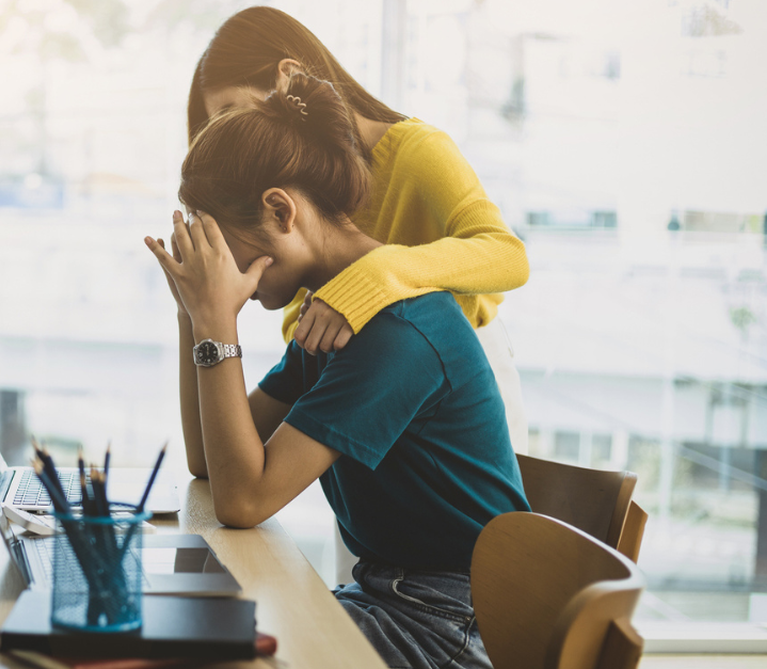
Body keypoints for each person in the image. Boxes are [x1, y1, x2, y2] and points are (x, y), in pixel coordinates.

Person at [145, 72, 529, 669]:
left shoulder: (393, 332)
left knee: (201, 652)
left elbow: (244, 499)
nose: (221, 268)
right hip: (390, 597)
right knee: (178, 628)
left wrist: (217, 323)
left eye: (222, 245)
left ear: (280, 210)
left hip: (449, 625)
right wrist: (192, 317)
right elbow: (211, 463)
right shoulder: (334, 311)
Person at [188, 6, 531, 454]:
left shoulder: (416, 151)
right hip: (360, 380)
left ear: (288, 77)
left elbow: (508, 255)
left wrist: (373, 275)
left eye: (232, 113)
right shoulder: (296, 202)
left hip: (454, 393)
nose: (231, 138)